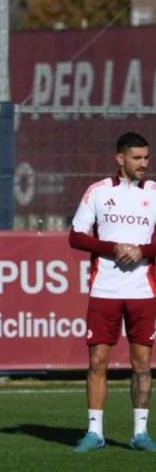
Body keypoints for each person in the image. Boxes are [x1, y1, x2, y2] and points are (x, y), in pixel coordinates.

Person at [69, 132, 156, 453]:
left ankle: (140, 433)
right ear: (120, 159)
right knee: (98, 361)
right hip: (104, 289)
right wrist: (112, 247)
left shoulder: (155, 193)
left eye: (146, 158)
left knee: (143, 364)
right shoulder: (98, 192)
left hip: (143, 292)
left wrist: (144, 250)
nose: (143, 164)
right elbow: (76, 236)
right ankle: (95, 433)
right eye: (137, 158)